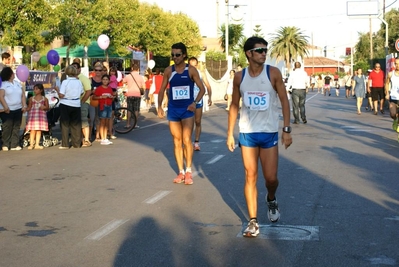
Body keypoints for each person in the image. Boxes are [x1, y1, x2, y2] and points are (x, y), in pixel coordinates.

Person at [226, 36, 292, 237]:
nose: (264, 53)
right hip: (247, 133)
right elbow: (235, 105)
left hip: (269, 132)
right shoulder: (239, 77)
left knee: (270, 178)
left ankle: (271, 198)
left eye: (265, 50)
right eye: (260, 50)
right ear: (249, 53)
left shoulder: (273, 73)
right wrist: (230, 133)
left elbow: (284, 100)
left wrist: (287, 129)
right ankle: (253, 221)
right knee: (250, 175)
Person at [157, 42, 206, 185]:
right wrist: (159, 106)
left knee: (186, 140)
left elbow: (202, 89)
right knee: (176, 141)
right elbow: (161, 90)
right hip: (173, 110)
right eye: (172, 55)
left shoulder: (191, 70)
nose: (175, 57)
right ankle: (181, 171)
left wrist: (194, 103)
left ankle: (189, 170)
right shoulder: (168, 70)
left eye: (177, 55)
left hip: (187, 110)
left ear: (184, 55)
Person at [55, 65, 84, 149]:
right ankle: (77, 143)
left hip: (66, 103)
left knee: (65, 124)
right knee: (76, 124)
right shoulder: (79, 82)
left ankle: (65, 144)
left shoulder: (65, 82)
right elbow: (82, 92)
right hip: (76, 103)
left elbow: (61, 95)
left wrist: (57, 90)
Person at [188, 57, 212, 151]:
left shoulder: (201, 73)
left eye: (194, 65)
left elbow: (208, 86)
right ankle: (187, 141)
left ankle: (196, 142)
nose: (193, 67)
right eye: (191, 65)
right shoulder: (186, 73)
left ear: (197, 65)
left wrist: (209, 97)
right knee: (188, 123)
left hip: (198, 100)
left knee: (197, 122)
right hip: (188, 101)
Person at [0, 67, 27, 151]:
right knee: (7, 127)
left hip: (18, 108)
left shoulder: (17, 83)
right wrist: (5, 107)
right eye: (12, 73)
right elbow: (1, 96)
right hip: (7, 109)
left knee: (16, 126)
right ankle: (5, 144)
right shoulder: (3, 84)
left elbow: (22, 95)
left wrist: (24, 105)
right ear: (8, 74)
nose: (14, 74)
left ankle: (14, 144)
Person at [71, 62, 92, 147]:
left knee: (83, 120)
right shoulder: (70, 79)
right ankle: (79, 139)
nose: (74, 69)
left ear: (79, 69)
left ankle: (86, 139)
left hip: (83, 102)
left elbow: (88, 90)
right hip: (74, 103)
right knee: (76, 122)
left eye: (75, 67)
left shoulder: (83, 78)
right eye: (72, 67)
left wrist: (83, 101)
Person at [25, 84, 49, 149]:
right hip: (33, 116)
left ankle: (37, 144)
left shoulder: (45, 99)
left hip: (41, 116)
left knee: (39, 130)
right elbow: (29, 107)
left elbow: (47, 107)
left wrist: (44, 107)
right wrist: (25, 109)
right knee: (32, 130)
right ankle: (31, 144)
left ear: (41, 90)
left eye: (37, 89)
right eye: (34, 89)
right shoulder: (31, 99)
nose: (35, 90)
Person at [92, 74, 114, 145]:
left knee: (107, 122)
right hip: (102, 106)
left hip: (109, 106)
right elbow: (94, 97)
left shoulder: (110, 89)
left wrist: (111, 96)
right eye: (104, 79)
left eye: (106, 80)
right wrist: (101, 97)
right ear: (101, 80)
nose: (105, 81)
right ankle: (102, 138)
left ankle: (105, 137)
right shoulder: (99, 89)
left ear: (108, 81)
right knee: (102, 122)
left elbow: (112, 97)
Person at [123, 64, 145, 128]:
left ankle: (128, 124)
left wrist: (128, 84)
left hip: (130, 94)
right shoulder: (140, 77)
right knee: (136, 109)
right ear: (138, 69)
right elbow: (143, 86)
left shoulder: (128, 76)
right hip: (137, 94)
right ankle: (135, 124)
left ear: (132, 68)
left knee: (129, 109)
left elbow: (123, 81)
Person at [385, 58, 399, 137]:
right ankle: (395, 120)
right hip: (393, 97)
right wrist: (387, 93)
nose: (398, 65)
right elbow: (386, 83)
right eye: (396, 64)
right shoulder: (391, 74)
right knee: (393, 114)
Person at [108, 67, 118, 140]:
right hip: (112, 91)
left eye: (113, 72)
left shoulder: (113, 77)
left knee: (111, 113)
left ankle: (110, 130)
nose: (112, 73)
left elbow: (109, 81)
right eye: (111, 71)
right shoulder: (113, 77)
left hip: (112, 91)